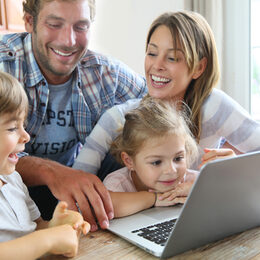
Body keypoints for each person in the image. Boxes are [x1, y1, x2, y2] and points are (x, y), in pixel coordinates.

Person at [0, 0, 147, 231]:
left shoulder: (104, 72)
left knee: (132, 136)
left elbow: (163, 99)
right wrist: (51, 172)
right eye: (55, 24)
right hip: (11, 200)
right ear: (29, 21)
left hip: (79, 191)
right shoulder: (4, 67)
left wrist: (212, 146)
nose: (68, 41)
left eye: (80, 27)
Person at [73, 10, 260, 180]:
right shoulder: (120, 117)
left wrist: (239, 167)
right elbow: (77, 181)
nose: (157, 65)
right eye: (152, 53)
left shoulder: (213, 105)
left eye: (172, 58)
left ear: (199, 67)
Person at [0, 71, 90, 259]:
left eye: (23, 125)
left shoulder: (13, 180)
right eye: (12, 128)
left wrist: (56, 226)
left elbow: (34, 228)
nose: (26, 136)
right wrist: (48, 240)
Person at [103, 97, 198, 217]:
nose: (171, 170)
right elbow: (107, 208)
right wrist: (154, 198)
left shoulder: (191, 181)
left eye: (178, 158)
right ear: (129, 161)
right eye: (156, 162)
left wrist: (198, 190)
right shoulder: (118, 184)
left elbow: (223, 194)